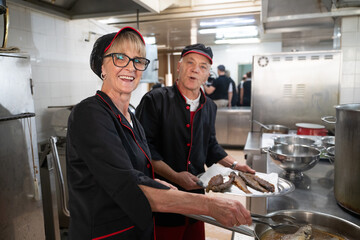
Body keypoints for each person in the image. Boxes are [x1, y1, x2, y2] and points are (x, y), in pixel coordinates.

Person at [66, 27, 252, 240]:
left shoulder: (131, 118)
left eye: (138, 60)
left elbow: (138, 171)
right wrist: (209, 204)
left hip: (139, 227)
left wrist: (158, 182)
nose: (131, 67)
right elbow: (128, 185)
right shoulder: (90, 113)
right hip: (106, 234)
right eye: (120, 58)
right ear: (102, 66)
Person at [136, 43, 255, 240]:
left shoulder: (209, 107)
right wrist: (174, 176)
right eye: (190, 63)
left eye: (203, 66)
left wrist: (236, 165)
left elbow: (210, 146)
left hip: (197, 198)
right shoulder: (155, 100)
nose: (195, 69)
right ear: (179, 67)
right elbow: (143, 148)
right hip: (164, 200)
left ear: (208, 74)